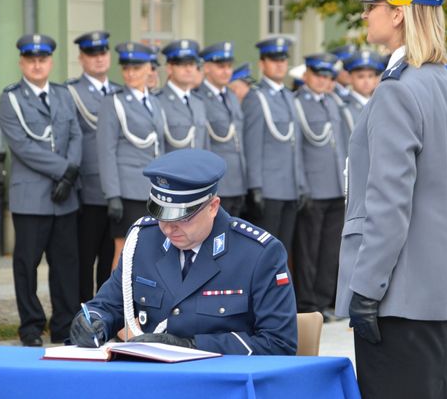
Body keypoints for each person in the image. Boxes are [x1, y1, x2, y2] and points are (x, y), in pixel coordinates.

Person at [335, 0, 447, 398]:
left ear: (399, 14)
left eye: (373, 6)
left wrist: (366, 288)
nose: (365, 14)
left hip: (394, 295)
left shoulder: (397, 89)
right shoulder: (443, 80)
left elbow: (388, 206)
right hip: (434, 289)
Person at [70, 148, 297, 355]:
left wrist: (192, 346)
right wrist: (92, 322)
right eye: (161, 215)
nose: (169, 227)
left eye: (182, 217)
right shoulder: (144, 241)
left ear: (212, 207)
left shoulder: (258, 254)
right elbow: (108, 305)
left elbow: (278, 343)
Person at [0, 34, 82, 347]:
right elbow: (22, 146)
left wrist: (70, 175)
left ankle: (64, 326)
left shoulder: (63, 94)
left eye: (42, 59)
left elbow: (75, 135)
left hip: (66, 197)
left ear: (50, 62)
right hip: (31, 197)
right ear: (22, 62)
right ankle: (31, 327)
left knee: (65, 266)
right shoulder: (11, 98)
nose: (37, 64)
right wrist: (64, 171)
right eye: (31, 59)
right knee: (27, 265)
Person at [97, 41, 165, 272]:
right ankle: (116, 306)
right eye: (126, 68)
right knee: (124, 249)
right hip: (127, 191)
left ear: (149, 68)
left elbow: (159, 147)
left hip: (152, 190)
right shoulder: (113, 102)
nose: (130, 73)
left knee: (153, 249)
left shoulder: (154, 102)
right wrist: (113, 194)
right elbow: (106, 151)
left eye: (136, 68)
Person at [66, 31, 121, 302]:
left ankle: (105, 313)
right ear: (81, 58)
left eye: (102, 53)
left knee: (112, 257)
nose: (98, 59)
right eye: (92, 54)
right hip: (87, 188)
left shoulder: (120, 93)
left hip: (117, 187)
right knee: (84, 259)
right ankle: (83, 313)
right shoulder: (72, 92)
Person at [292, 53, 348, 320]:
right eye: (319, 76)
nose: (324, 81)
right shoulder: (298, 105)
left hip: (335, 186)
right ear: (306, 77)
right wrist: (302, 185)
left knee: (330, 249)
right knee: (308, 250)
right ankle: (308, 302)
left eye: (328, 77)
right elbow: (297, 151)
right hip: (313, 187)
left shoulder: (333, 103)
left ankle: (325, 300)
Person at [242, 36, 307, 255]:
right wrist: (255, 186)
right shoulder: (256, 97)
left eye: (283, 59)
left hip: (290, 188)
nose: (280, 64)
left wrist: (301, 183)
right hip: (268, 189)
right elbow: (252, 144)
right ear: (262, 64)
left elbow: (295, 144)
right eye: (273, 59)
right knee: (264, 253)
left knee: (283, 251)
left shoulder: (288, 96)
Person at [194, 42, 247, 217]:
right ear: (207, 68)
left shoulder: (231, 96)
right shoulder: (199, 97)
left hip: (238, 180)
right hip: (218, 181)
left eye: (229, 66)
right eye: (220, 66)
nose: (226, 71)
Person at [156, 39, 209, 153]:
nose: (188, 69)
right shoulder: (158, 101)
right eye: (182, 64)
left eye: (192, 64)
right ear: (169, 68)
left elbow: (205, 146)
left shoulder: (198, 102)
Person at [341, 49, 385, 123]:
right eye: (360, 76)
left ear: (376, 79)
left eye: (370, 76)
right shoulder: (342, 105)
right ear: (350, 78)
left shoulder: (379, 104)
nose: (366, 81)